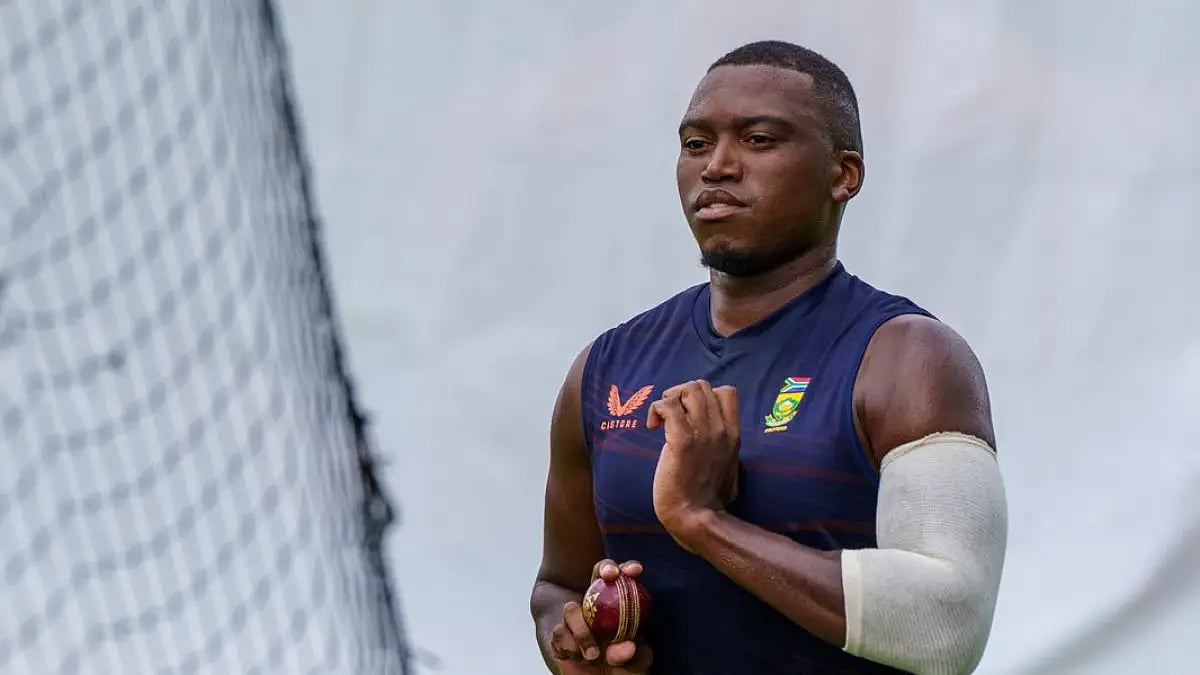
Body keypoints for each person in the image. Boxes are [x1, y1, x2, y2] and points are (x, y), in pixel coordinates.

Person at [529, 39, 1008, 675]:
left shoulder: (909, 358)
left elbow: (947, 626)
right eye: (696, 144)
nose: (717, 167)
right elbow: (557, 586)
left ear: (844, 176)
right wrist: (575, 649)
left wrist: (704, 522)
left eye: (758, 139)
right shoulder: (606, 368)